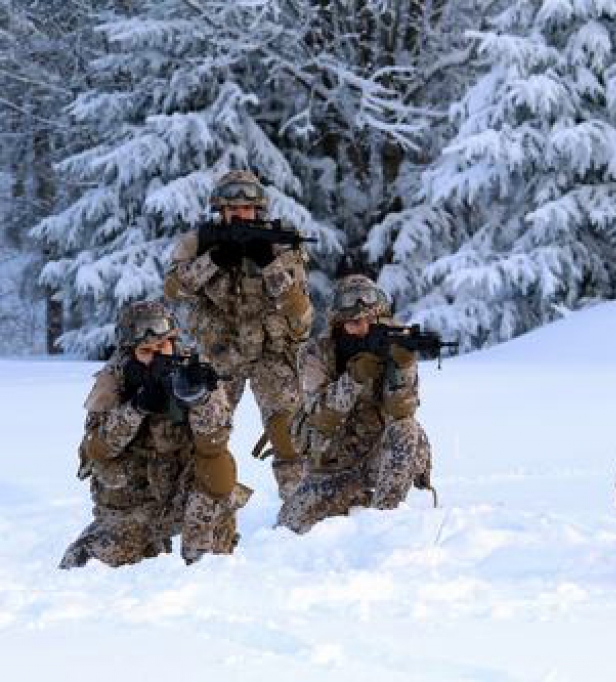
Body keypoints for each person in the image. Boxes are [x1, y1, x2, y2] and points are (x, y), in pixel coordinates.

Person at [60, 301, 250, 568]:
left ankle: (205, 554)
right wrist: (136, 408)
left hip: (185, 494)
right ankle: (148, 544)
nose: (157, 356)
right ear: (131, 352)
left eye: (162, 347)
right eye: (146, 351)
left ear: (173, 341)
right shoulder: (114, 379)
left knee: (217, 473)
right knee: (77, 566)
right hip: (132, 504)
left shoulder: (196, 371)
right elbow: (97, 449)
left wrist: (198, 400)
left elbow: (215, 440)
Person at [164, 170, 313, 500]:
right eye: (231, 209)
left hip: (271, 353)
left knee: (289, 434)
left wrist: (268, 263)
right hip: (220, 353)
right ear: (220, 211)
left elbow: (299, 312)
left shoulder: (279, 243)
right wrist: (213, 260)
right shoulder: (199, 243)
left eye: (245, 209)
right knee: (203, 434)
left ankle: (301, 507)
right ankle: (208, 508)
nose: (238, 215)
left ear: (258, 210)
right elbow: (174, 290)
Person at [277, 275, 433, 533]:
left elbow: (402, 411)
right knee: (287, 528)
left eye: (371, 320)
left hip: (380, 459)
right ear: (339, 324)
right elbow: (319, 415)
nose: (364, 328)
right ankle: (358, 501)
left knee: (407, 429)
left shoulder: (395, 342)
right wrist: (355, 377)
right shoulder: (318, 352)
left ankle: (385, 522)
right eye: (354, 322)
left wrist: (401, 365)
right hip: (335, 465)